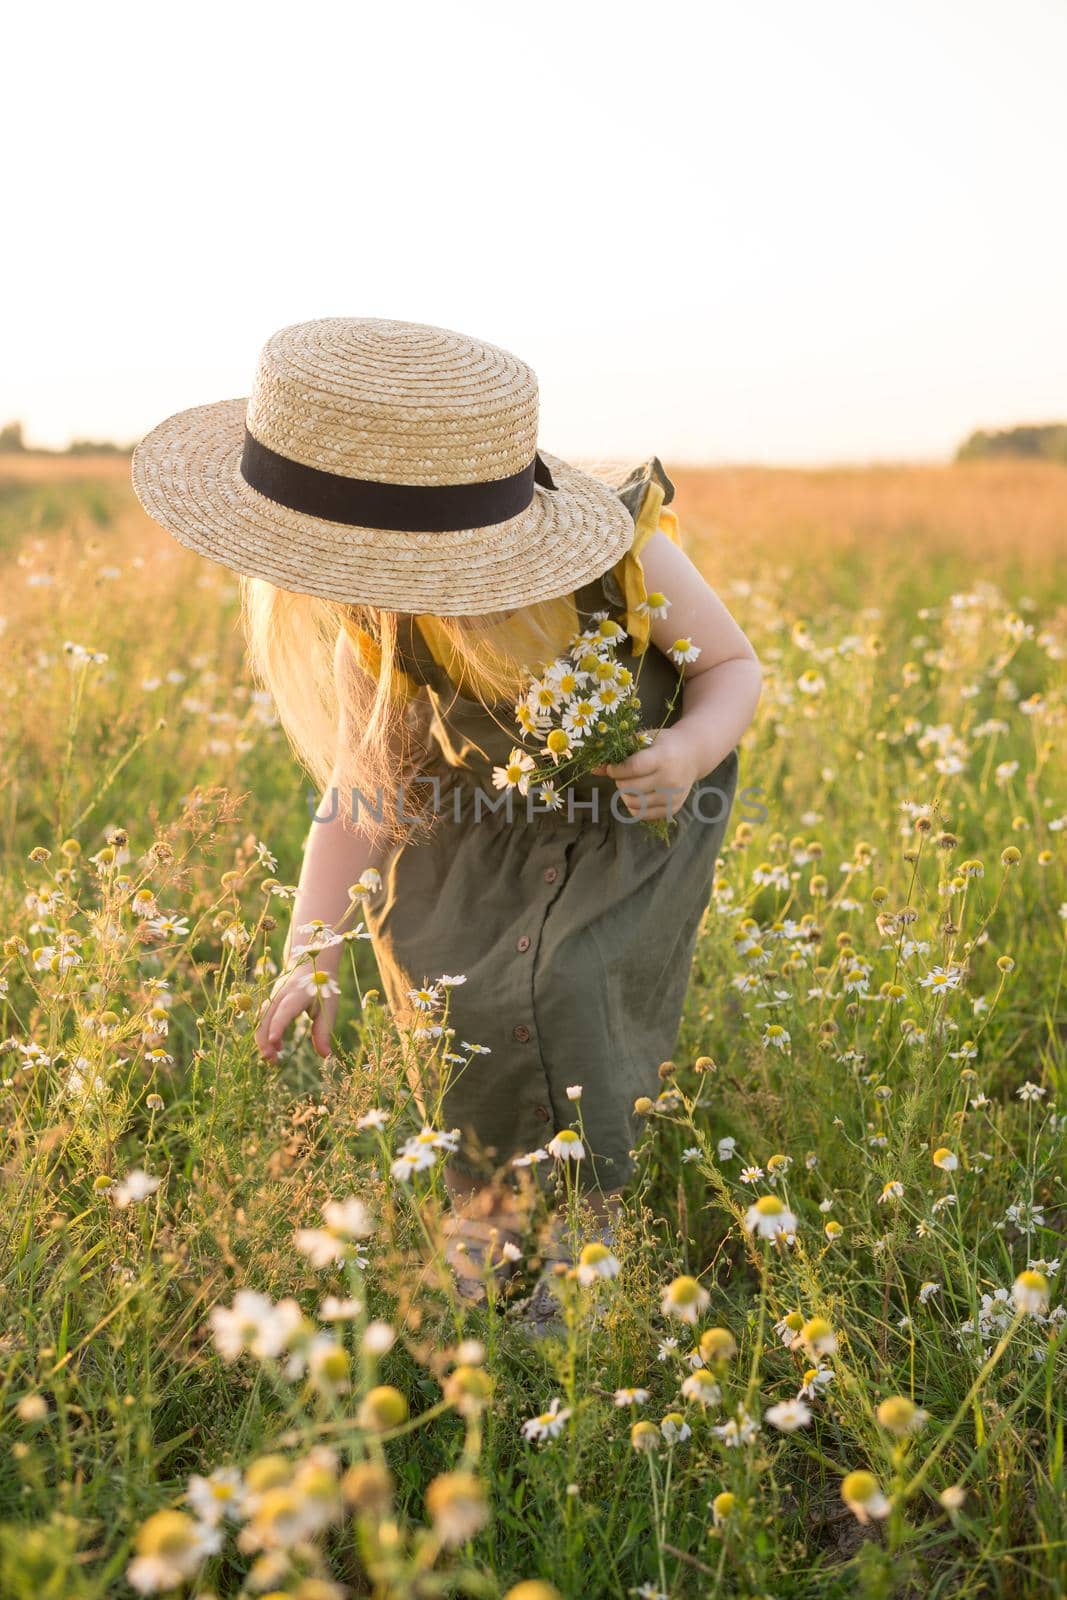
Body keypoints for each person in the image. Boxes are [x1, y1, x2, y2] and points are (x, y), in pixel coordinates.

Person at [132, 316, 761, 1313]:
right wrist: (311, 948)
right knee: (450, 1002)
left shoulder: (618, 553)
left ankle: (585, 1247)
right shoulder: (370, 615)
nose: (391, 593)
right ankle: (485, 1228)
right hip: (475, 825)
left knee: (572, 986)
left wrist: (682, 753)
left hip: (623, 807)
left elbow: (731, 665)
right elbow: (363, 786)